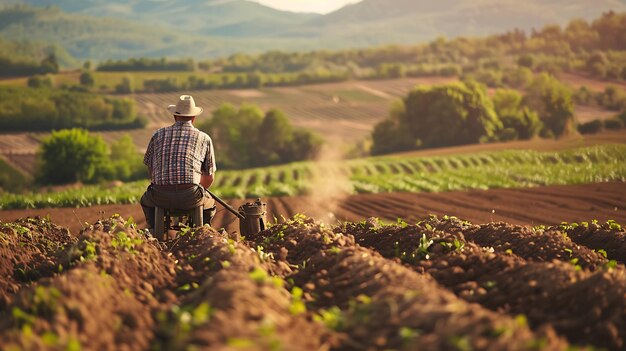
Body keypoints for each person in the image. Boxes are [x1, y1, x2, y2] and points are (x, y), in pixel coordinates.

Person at [140, 95, 217, 232]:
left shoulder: (158, 134)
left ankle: (151, 229)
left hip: (160, 195)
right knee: (210, 203)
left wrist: (160, 182)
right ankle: (205, 232)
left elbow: (150, 168)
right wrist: (198, 189)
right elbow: (209, 177)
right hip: (191, 195)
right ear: (193, 118)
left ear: (175, 116)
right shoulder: (204, 138)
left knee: (145, 200)